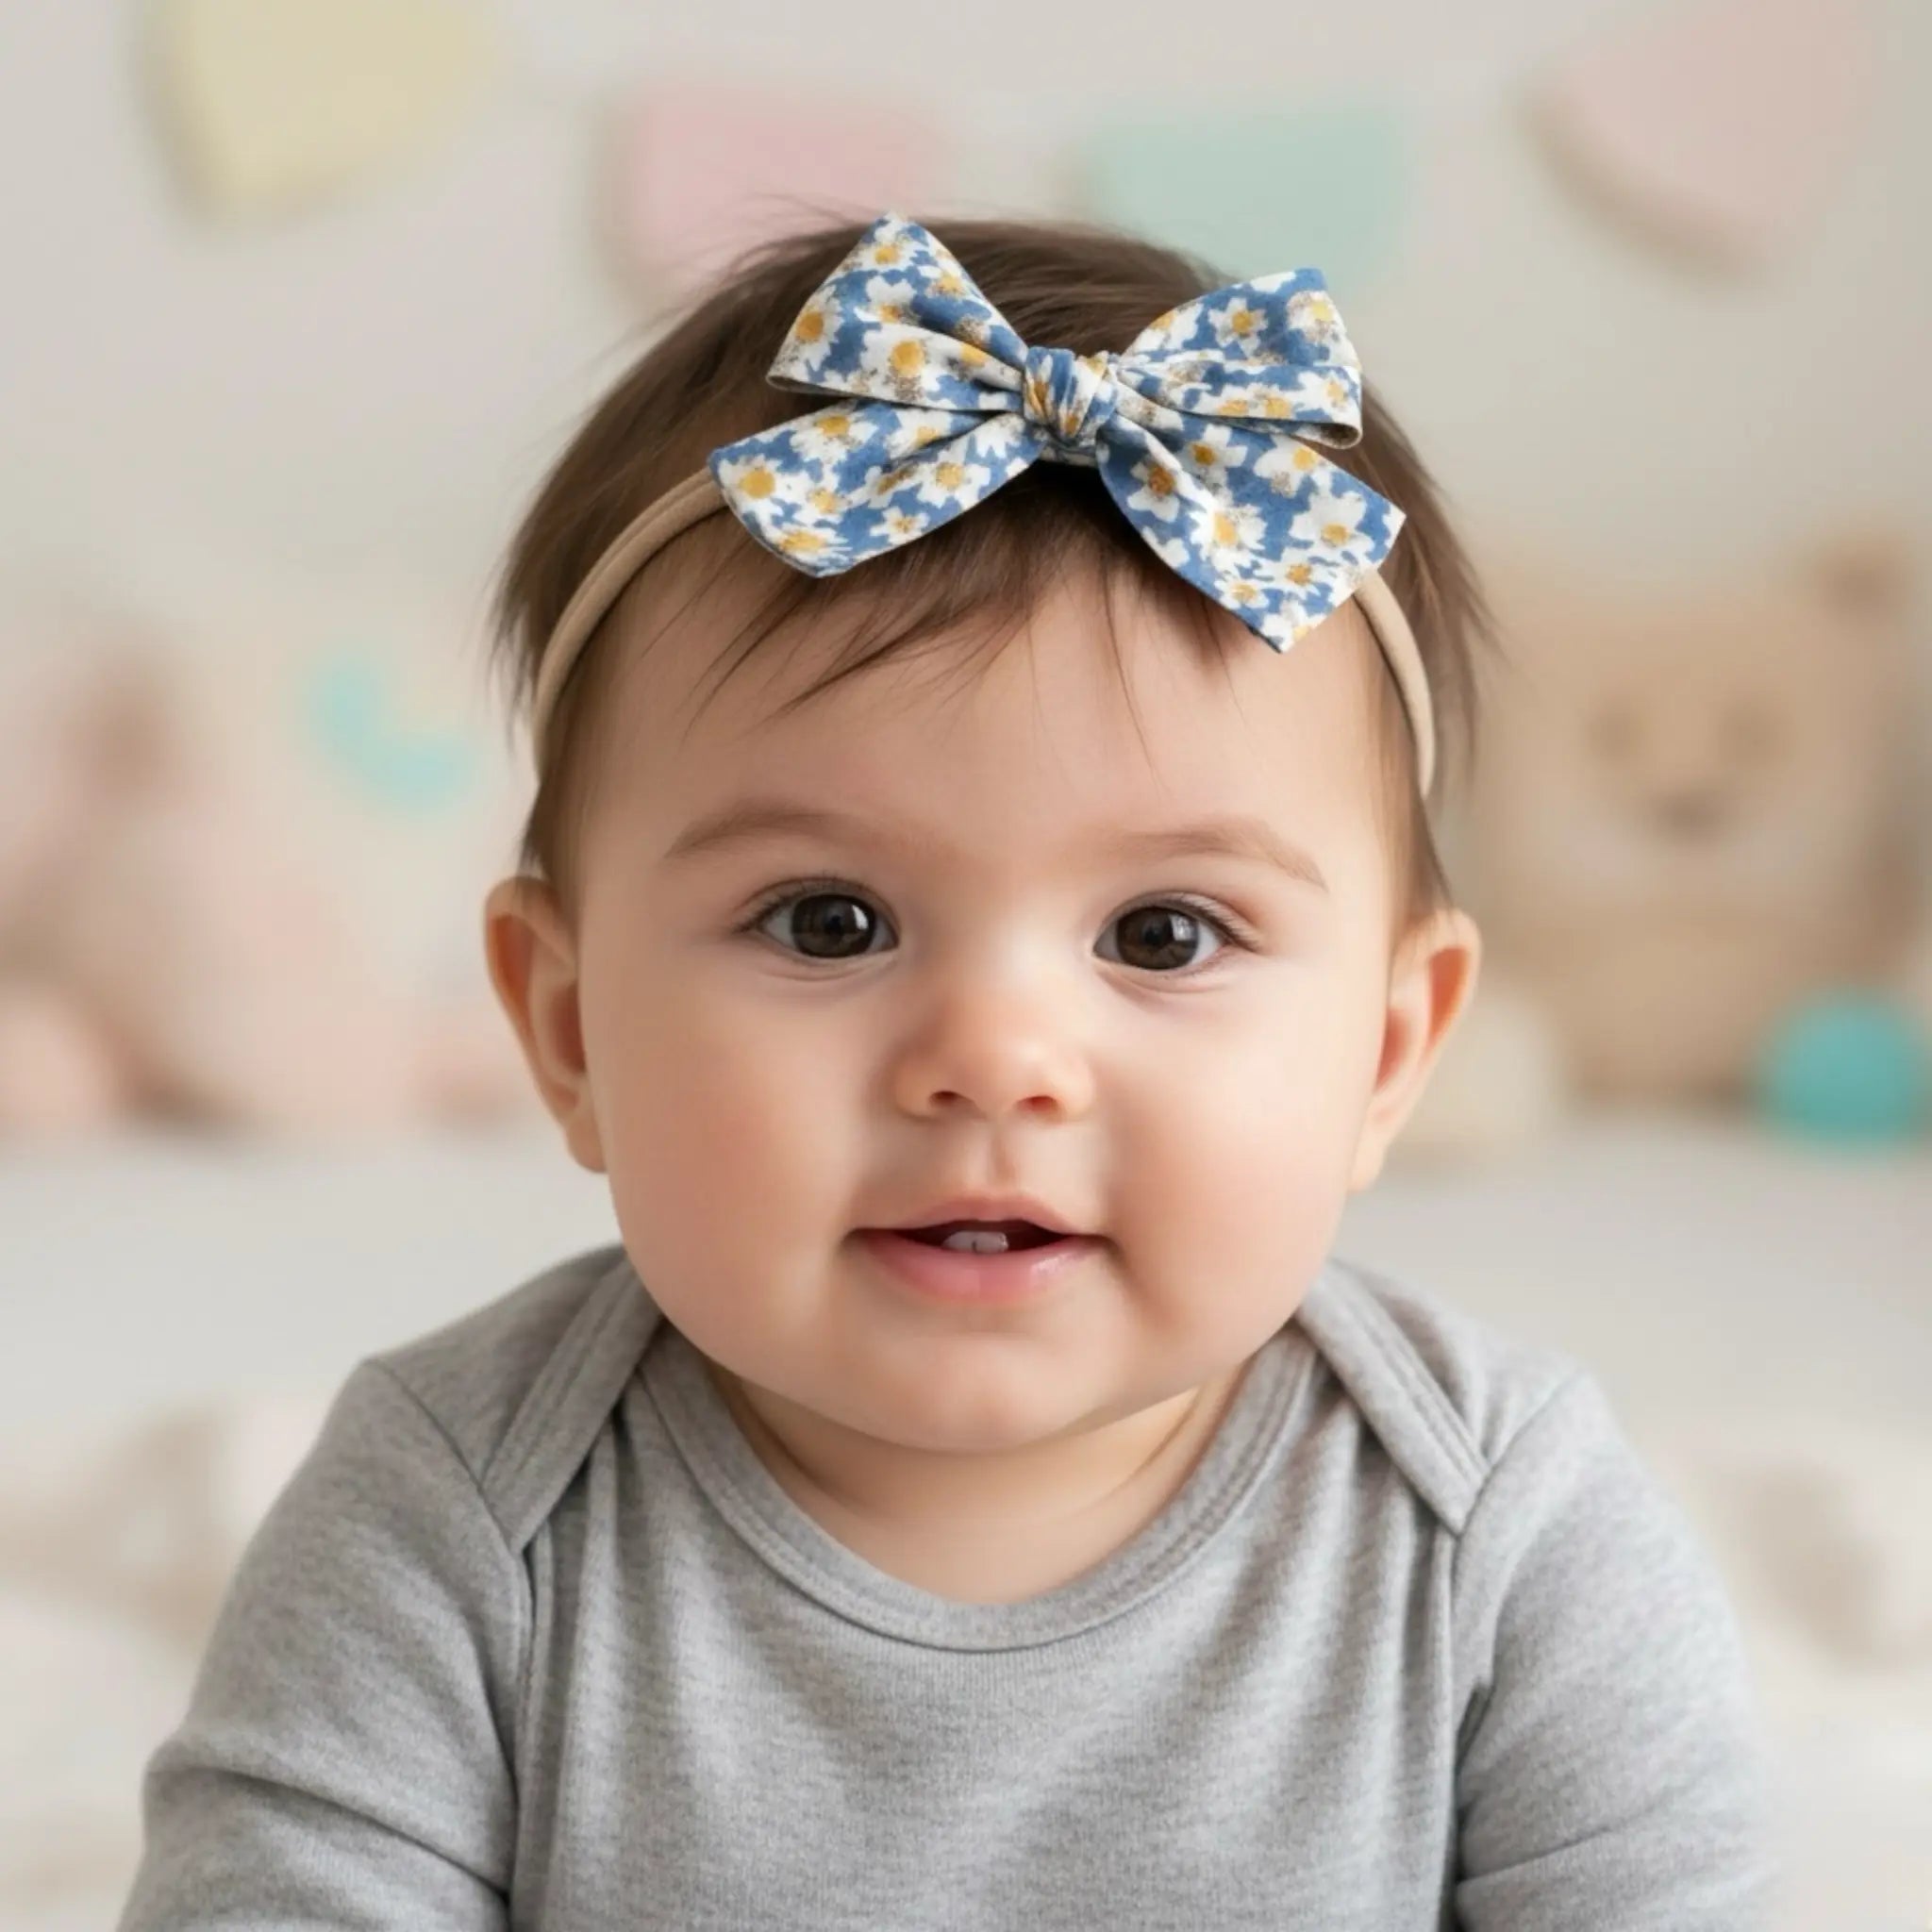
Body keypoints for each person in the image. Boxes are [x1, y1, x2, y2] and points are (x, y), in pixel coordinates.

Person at [117, 209, 1772, 1929]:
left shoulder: (1501, 1528)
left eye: (1164, 934)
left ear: (1384, 1049)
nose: (993, 1061)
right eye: (828, 922)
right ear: (568, 1023)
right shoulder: (450, 1513)